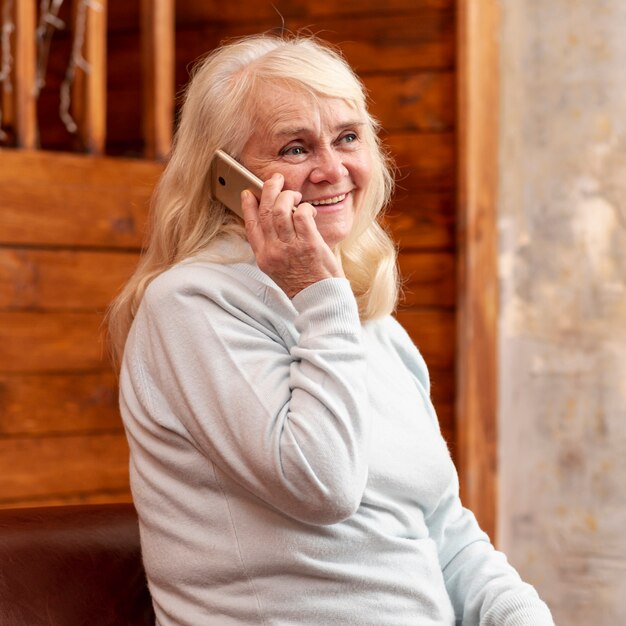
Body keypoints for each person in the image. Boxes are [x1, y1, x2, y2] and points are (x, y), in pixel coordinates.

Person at [108, 33, 555, 626]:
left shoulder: (370, 327)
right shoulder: (188, 307)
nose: (332, 169)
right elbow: (320, 485)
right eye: (295, 148)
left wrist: (527, 617)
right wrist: (319, 295)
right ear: (227, 174)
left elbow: (444, 529)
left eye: (348, 137)